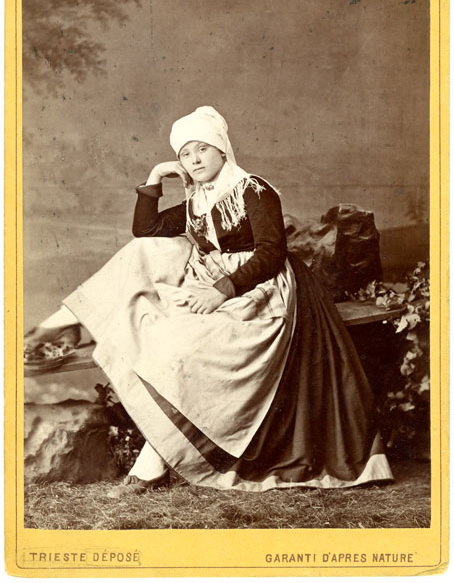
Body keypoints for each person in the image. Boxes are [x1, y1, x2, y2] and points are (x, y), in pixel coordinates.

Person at [26, 106, 393, 495]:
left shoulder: (253, 190)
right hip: (212, 282)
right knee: (150, 272)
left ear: (221, 149)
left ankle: (152, 462)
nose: (195, 160)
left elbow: (271, 253)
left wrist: (222, 290)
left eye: (202, 149)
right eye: (186, 154)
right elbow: (145, 229)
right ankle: (70, 322)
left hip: (261, 290)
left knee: (191, 349)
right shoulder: (197, 201)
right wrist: (156, 176)